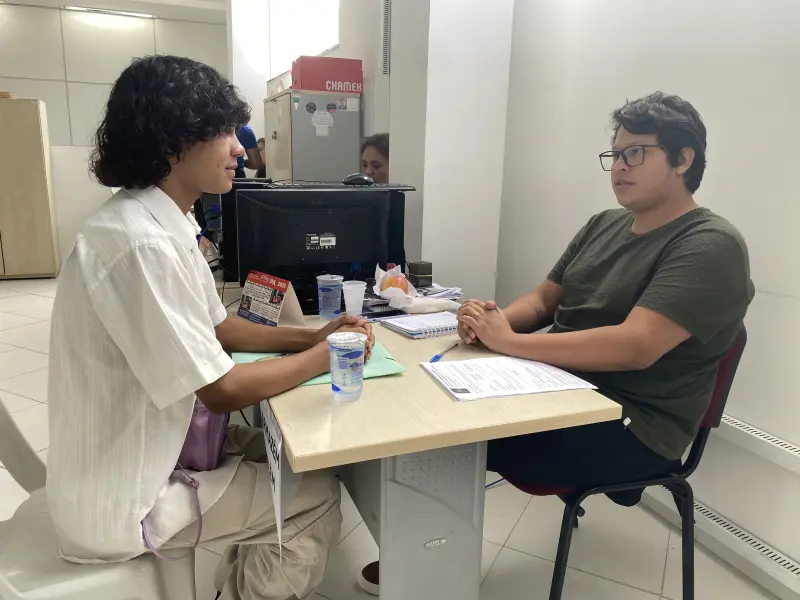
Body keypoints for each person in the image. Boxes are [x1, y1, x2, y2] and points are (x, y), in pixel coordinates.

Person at [356, 92, 754, 595]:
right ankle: (420, 553)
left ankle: (428, 567)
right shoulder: (604, 224)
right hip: (557, 387)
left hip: (630, 425)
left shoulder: (710, 244)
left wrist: (510, 344)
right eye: (615, 154)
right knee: (417, 392)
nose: (619, 166)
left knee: (446, 430)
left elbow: (636, 346)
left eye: (636, 153)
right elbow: (544, 300)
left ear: (683, 159)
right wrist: (493, 322)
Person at [46, 55, 374, 600]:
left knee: (292, 458)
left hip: (158, 444)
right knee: (313, 498)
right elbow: (220, 390)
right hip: (126, 490)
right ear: (171, 141)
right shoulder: (143, 244)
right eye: (223, 132)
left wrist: (312, 336)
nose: (241, 149)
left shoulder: (162, 221)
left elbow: (220, 328)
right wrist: (329, 355)